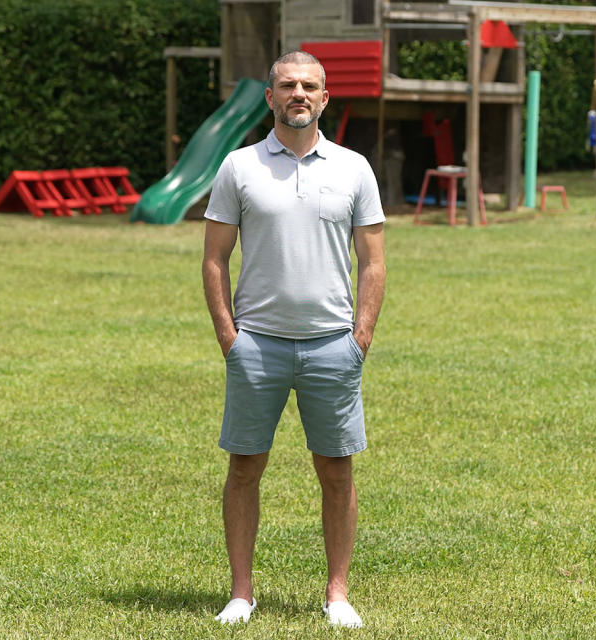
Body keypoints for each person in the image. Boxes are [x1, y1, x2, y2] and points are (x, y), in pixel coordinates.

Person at [202, 50, 386, 629]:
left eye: (309, 86)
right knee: (245, 466)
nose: (298, 94)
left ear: (325, 98)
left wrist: (361, 336)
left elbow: (374, 263)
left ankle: (337, 594)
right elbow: (214, 259)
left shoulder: (355, 168)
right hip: (257, 345)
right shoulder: (239, 167)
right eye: (287, 85)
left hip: (333, 345)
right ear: (270, 97)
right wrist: (230, 337)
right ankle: (241, 593)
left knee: (336, 470)